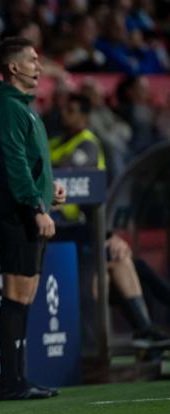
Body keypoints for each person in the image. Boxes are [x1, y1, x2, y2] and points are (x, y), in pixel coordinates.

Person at [48, 92, 170, 351]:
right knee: (127, 262)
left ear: (84, 115)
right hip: (59, 232)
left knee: (123, 260)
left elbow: (67, 172)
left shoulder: (87, 143)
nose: (63, 114)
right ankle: (144, 330)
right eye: (62, 109)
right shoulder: (54, 142)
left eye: (70, 109)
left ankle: (145, 331)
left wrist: (105, 235)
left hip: (78, 231)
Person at [0, 37, 66, 401]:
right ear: (13, 67)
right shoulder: (8, 107)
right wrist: (36, 207)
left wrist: (49, 191)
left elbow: (29, 162)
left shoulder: (21, 106)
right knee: (17, 294)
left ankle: (17, 378)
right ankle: (11, 382)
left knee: (26, 294)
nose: (39, 66)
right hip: (18, 213)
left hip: (27, 207)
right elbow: (14, 163)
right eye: (32, 60)